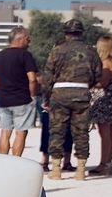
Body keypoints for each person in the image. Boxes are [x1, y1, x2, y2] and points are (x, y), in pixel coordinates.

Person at [44, 17, 102, 180]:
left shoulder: (57, 50)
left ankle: (56, 170)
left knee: (57, 131)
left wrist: (46, 97)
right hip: (81, 93)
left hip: (60, 94)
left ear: (66, 33)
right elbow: (98, 74)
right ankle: (81, 171)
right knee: (81, 132)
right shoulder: (91, 51)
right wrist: (86, 85)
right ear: (81, 33)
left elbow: (48, 76)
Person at [0, 25, 39, 158]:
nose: (29, 41)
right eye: (27, 39)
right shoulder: (25, 55)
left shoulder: (0, 55)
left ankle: (3, 160)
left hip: (4, 100)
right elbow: (32, 79)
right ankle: (16, 161)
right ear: (19, 39)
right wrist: (33, 95)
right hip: (22, 99)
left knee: (5, 132)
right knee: (21, 132)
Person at [90, 35, 112, 176]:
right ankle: (109, 162)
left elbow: (102, 83)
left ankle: (103, 164)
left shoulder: (105, 64)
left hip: (104, 100)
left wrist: (89, 82)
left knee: (104, 133)